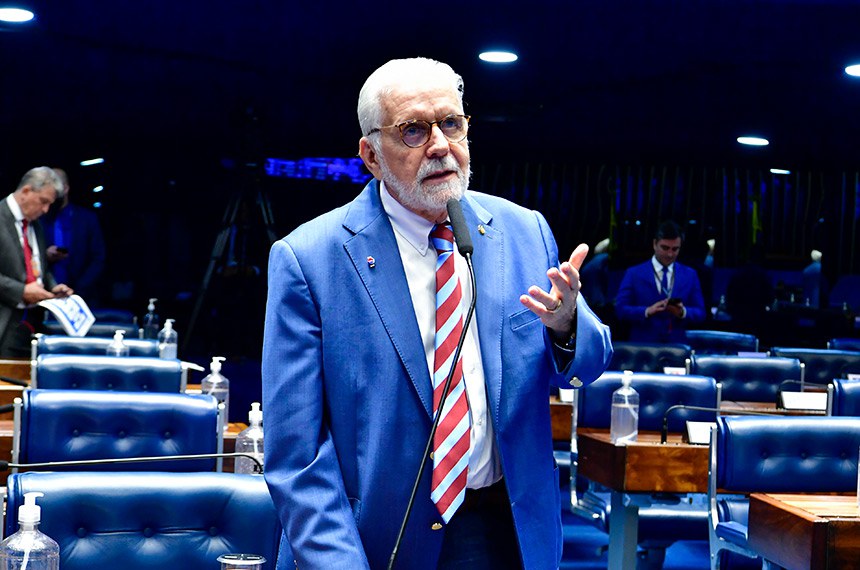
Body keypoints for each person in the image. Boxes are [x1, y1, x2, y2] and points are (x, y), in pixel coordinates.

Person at [261, 57, 613, 570]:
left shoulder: (522, 231)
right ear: (372, 155)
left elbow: (592, 361)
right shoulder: (309, 259)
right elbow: (296, 457)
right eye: (413, 131)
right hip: (374, 540)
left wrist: (566, 325)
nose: (441, 145)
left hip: (507, 531)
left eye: (451, 123)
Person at [0, 167, 74, 357]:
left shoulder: (36, 225)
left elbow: (40, 266)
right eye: (43, 202)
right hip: (5, 320)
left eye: (49, 204)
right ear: (26, 191)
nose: (45, 209)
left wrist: (52, 287)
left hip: (32, 321)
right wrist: (21, 291)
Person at [615, 220, 705, 343]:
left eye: (675, 249)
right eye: (665, 248)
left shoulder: (690, 274)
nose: (670, 254)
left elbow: (701, 312)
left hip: (676, 345)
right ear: (654, 244)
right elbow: (620, 310)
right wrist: (647, 311)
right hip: (643, 347)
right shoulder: (634, 273)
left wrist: (682, 312)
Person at [43, 167, 106, 304]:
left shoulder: (87, 219)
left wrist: (79, 288)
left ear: (65, 189)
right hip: (46, 294)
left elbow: (98, 258)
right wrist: (45, 255)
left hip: (82, 294)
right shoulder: (39, 218)